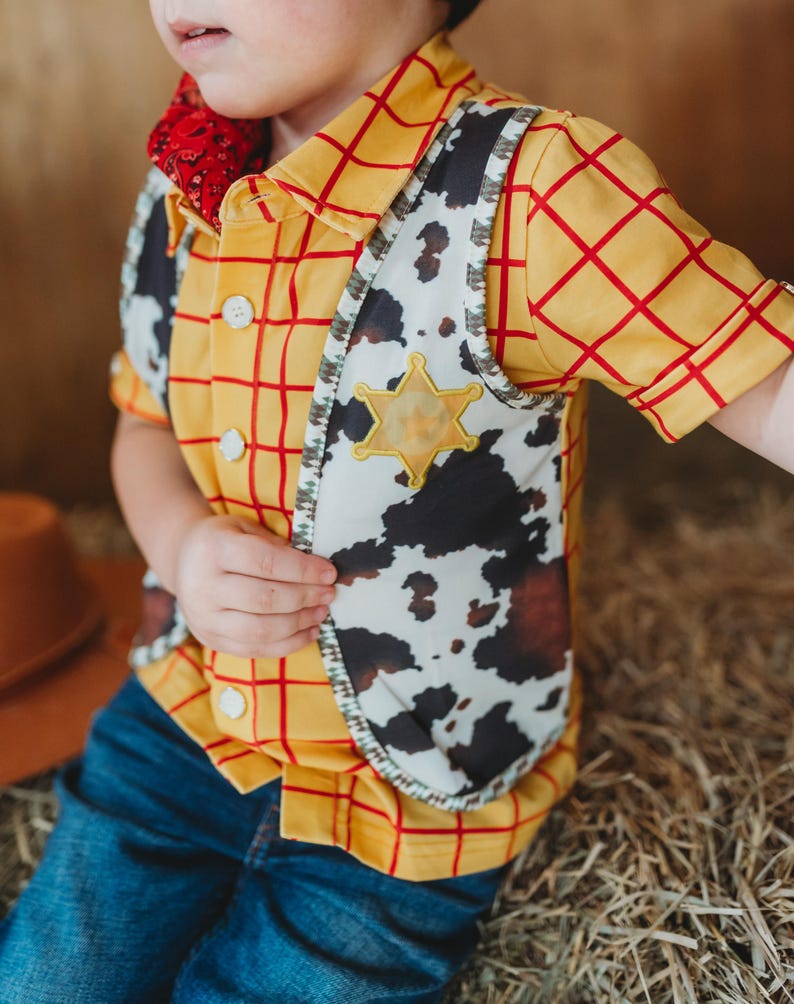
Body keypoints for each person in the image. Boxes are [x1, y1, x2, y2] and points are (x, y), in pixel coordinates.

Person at [1, 0, 792, 1001]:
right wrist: (180, 539)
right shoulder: (188, 179)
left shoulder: (532, 191)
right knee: (40, 981)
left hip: (414, 790)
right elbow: (144, 420)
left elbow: (759, 378)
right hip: (184, 726)